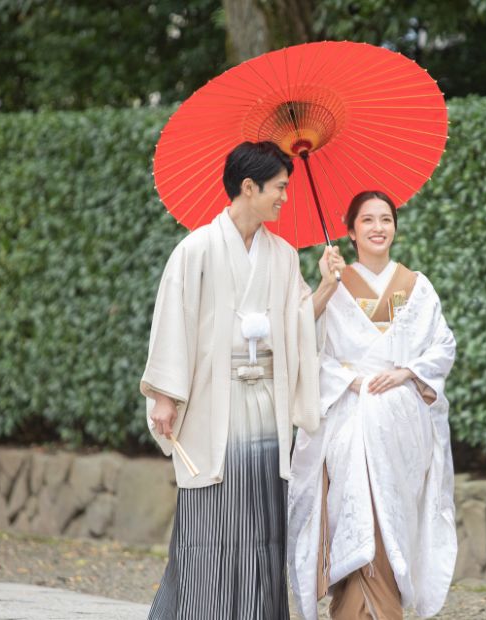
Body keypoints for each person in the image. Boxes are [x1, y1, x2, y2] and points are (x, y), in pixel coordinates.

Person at [140, 141, 344, 619]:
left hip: (264, 402)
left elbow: (296, 326)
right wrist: (166, 397)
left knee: (263, 523)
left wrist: (328, 289)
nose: (284, 198)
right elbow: (174, 323)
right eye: (279, 188)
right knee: (209, 524)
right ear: (248, 187)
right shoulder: (196, 250)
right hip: (215, 402)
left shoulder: (283, 255)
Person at [288, 190, 457, 619]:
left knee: (395, 517)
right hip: (349, 421)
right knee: (353, 515)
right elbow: (309, 350)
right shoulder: (338, 287)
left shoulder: (417, 287)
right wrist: (327, 286)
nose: (379, 227)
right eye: (368, 220)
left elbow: (443, 347)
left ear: (395, 227)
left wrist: (407, 372)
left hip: (402, 425)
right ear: (350, 231)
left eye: (386, 219)